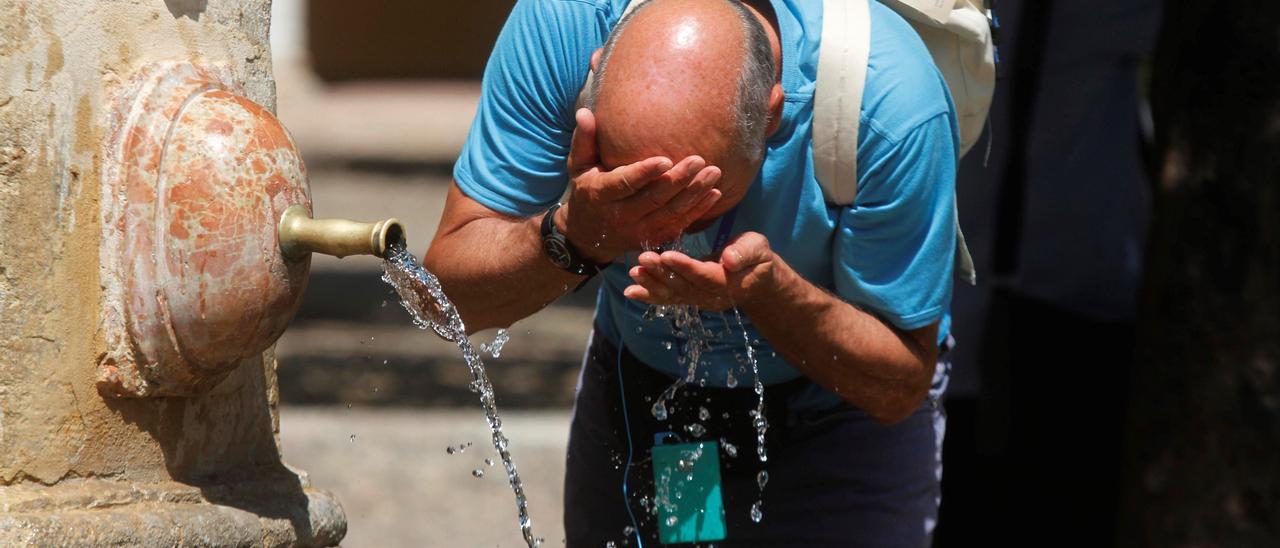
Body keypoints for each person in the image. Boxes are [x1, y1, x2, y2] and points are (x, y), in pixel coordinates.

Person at [425, 0, 960, 545]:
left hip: (840, 428)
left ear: (772, 116)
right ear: (593, 73)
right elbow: (445, 301)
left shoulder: (891, 105)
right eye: (633, 190)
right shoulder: (564, 22)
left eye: (699, 198)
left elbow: (898, 387)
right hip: (670, 409)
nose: (664, 230)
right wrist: (577, 235)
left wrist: (770, 296)